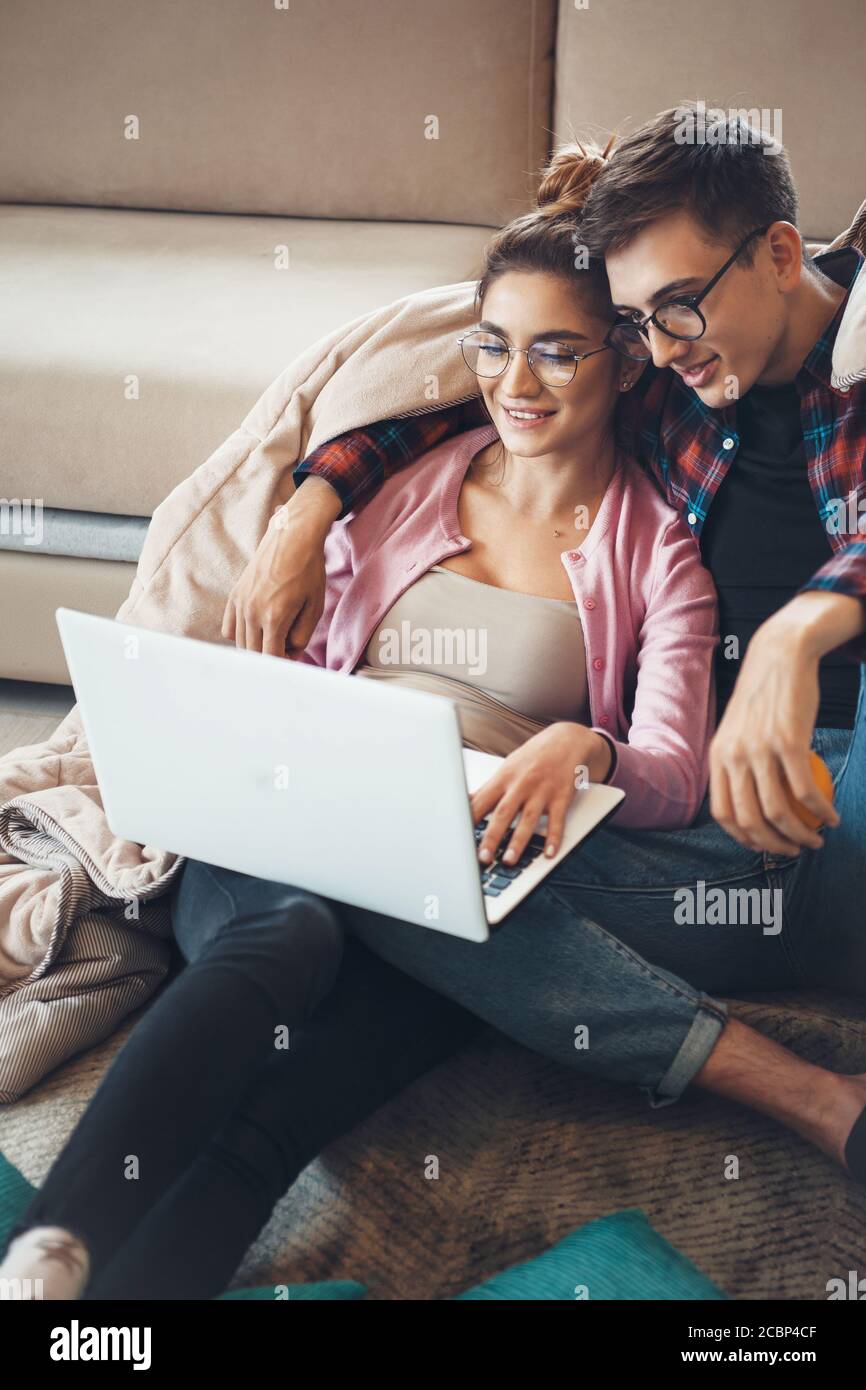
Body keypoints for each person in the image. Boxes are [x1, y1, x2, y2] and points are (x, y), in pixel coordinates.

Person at [0, 142, 721, 1299]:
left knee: (275, 1123)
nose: (515, 381)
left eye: (554, 350)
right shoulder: (405, 477)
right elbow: (278, 663)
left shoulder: (657, 548)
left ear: (624, 362)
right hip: (294, 819)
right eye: (493, 345)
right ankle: (49, 1251)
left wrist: (585, 743)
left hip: (453, 884)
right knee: (287, 939)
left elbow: (678, 771)